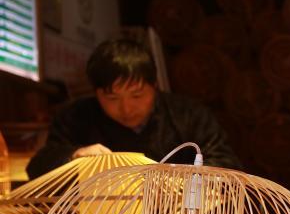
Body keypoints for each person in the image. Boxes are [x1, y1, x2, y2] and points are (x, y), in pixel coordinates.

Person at [26, 38, 241, 177]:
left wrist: (179, 182)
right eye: (112, 97)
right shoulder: (75, 117)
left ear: (155, 86)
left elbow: (227, 164)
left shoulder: (189, 115)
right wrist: (74, 156)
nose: (126, 109)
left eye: (137, 95)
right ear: (96, 92)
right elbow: (37, 168)